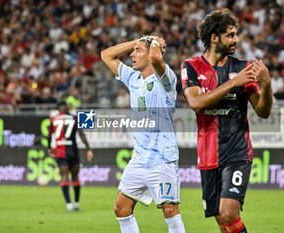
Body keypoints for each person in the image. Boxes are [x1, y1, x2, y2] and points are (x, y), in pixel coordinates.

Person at [180, 9, 273, 233]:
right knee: (222, 220)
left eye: (236, 34)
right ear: (214, 38)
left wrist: (267, 86)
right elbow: (196, 103)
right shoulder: (190, 66)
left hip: (237, 151)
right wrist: (233, 83)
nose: (236, 39)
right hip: (209, 153)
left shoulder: (242, 68)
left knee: (229, 213)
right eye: (230, 35)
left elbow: (263, 112)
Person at [101, 35, 185, 233]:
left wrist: (154, 43)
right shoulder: (133, 78)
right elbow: (106, 55)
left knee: (170, 209)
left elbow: (157, 59)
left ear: (150, 54)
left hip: (163, 159)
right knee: (121, 208)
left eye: (138, 51)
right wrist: (138, 41)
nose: (132, 54)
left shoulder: (167, 80)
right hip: (139, 160)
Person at [47, 101, 94, 211]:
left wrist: (49, 148)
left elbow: (49, 136)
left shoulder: (54, 119)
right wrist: (89, 149)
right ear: (67, 108)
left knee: (64, 177)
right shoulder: (74, 118)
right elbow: (81, 134)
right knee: (75, 177)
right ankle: (76, 203)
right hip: (73, 151)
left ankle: (69, 204)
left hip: (60, 152)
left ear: (58, 109)